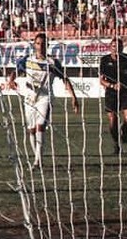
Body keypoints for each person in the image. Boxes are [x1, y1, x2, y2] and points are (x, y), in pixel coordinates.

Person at [6, 32, 80, 168]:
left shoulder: (52, 63)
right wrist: (11, 80)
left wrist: (73, 97)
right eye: (38, 43)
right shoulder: (28, 60)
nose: (40, 46)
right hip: (29, 97)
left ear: (47, 45)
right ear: (34, 45)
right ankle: (37, 157)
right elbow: (15, 71)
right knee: (31, 130)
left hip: (45, 97)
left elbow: (65, 79)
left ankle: (37, 162)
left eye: (43, 44)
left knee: (40, 126)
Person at [98, 37, 127, 154]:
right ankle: (116, 143)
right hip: (111, 93)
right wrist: (112, 85)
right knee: (112, 121)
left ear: (122, 48)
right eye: (114, 46)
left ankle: (124, 128)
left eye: (119, 47)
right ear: (110, 47)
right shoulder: (104, 60)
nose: (116, 49)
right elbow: (101, 80)